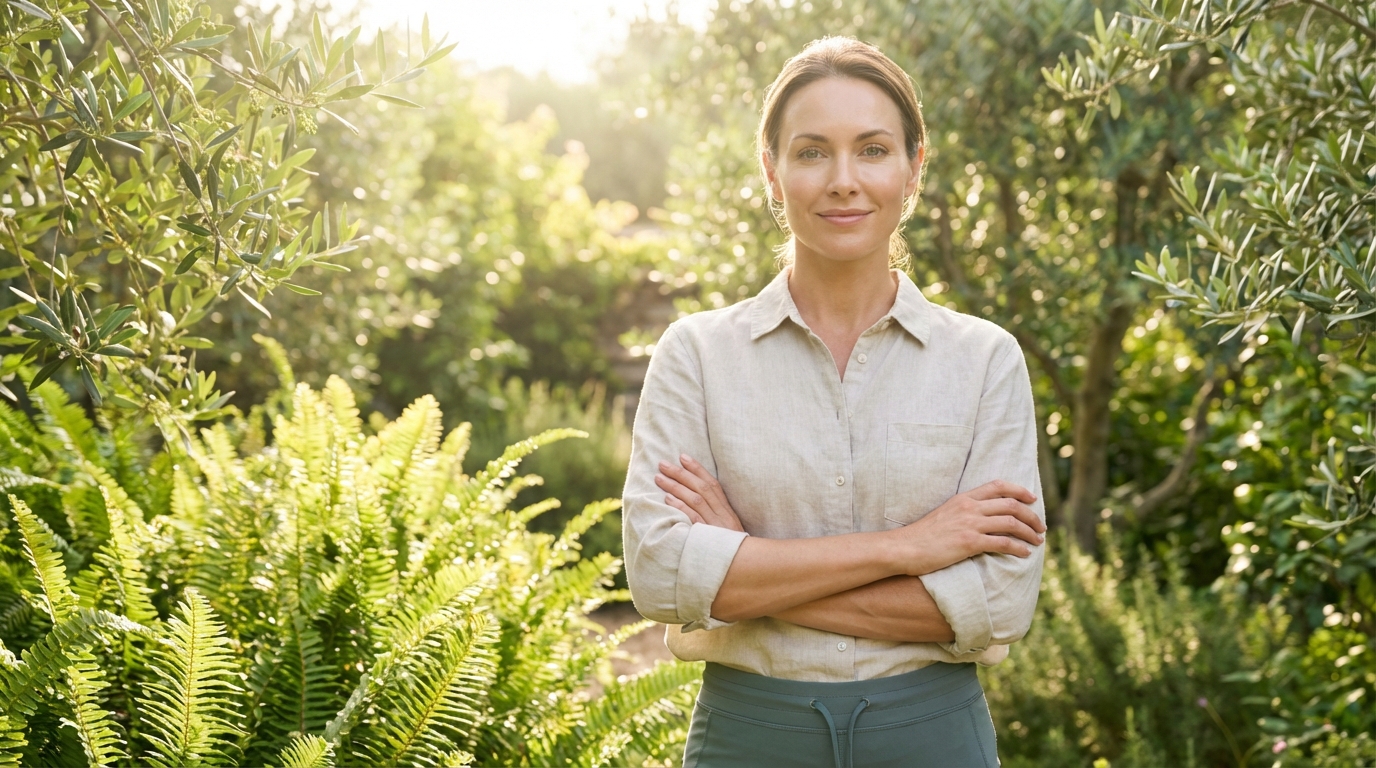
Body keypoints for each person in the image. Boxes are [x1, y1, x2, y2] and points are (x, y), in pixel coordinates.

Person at [622, 36, 1046, 768]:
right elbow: (659, 575)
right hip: (748, 740)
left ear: (914, 168)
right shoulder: (696, 354)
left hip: (935, 738)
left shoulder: (984, 361)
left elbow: (1003, 601)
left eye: (873, 150)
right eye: (812, 152)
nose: (843, 181)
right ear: (772, 171)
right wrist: (907, 548)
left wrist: (740, 570)